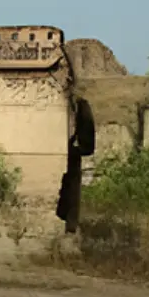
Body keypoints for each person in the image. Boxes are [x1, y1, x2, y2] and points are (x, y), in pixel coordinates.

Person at [56, 97, 95, 234]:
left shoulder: (79, 109)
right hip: (73, 153)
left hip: (72, 155)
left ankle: (69, 226)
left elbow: (85, 142)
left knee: (69, 195)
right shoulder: (81, 109)